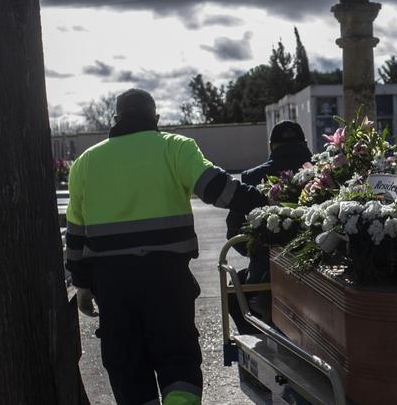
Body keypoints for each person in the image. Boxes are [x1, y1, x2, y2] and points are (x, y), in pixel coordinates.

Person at [66, 88, 264, 405]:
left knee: (127, 366)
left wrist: (82, 285)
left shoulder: (85, 163)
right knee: (178, 358)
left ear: (115, 119)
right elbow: (218, 189)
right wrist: (265, 203)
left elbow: (75, 235)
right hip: (168, 280)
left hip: (113, 286)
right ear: (155, 118)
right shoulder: (175, 147)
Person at [225, 120, 311, 331]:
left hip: (265, 274)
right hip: (316, 277)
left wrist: (256, 251)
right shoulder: (324, 171)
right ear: (305, 143)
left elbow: (233, 230)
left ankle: (254, 334)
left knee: (233, 292)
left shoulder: (252, 177)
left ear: (272, 146)